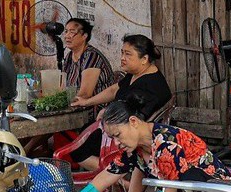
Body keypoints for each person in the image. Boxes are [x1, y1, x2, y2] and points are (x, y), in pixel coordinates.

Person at [81, 101, 231, 192]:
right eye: (112, 137)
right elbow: (110, 173)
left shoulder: (166, 143)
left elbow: (172, 189)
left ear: (133, 121)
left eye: (118, 135)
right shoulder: (135, 147)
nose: (116, 142)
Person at [66, 35, 170, 169]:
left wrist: (108, 112)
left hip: (126, 136)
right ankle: (114, 177)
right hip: (113, 126)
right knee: (80, 139)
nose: (122, 58)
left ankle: (118, 179)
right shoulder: (135, 73)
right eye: (122, 52)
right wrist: (87, 102)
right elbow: (114, 90)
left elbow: (136, 118)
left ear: (144, 59)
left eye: (128, 54)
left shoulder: (152, 86)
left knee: (79, 151)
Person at [60, 17, 114, 106]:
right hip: (76, 105)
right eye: (66, 31)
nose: (67, 36)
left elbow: (85, 94)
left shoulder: (91, 56)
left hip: (97, 108)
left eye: (72, 32)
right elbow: (63, 87)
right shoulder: (69, 56)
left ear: (84, 36)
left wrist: (65, 103)